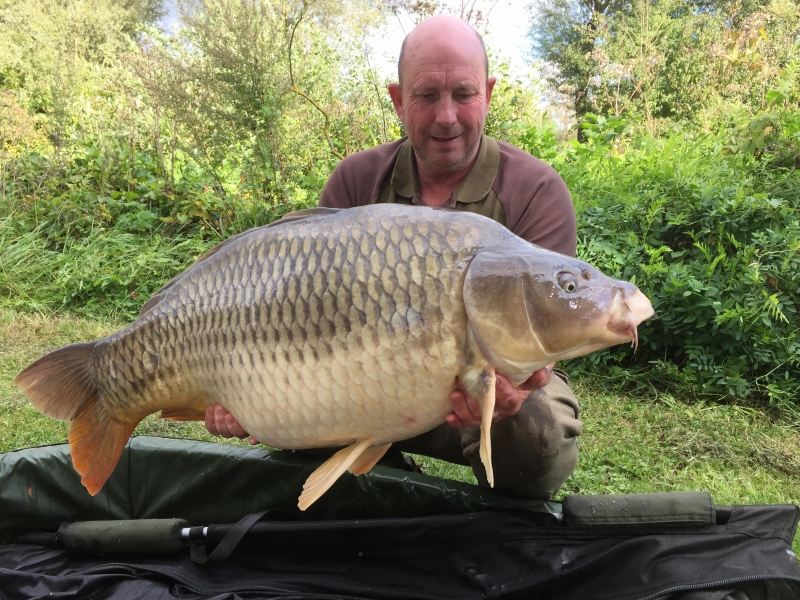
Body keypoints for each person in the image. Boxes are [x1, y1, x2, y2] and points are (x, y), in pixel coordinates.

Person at [205, 14, 583, 500]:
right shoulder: (357, 180)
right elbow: (298, 314)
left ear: (487, 93)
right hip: (365, 387)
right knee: (287, 421)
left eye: (463, 94)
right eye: (427, 96)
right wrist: (246, 396)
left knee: (540, 441)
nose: (447, 116)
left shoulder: (536, 190)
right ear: (399, 100)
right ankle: (392, 483)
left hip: (477, 394)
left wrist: (510, 396)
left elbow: (545, 344)